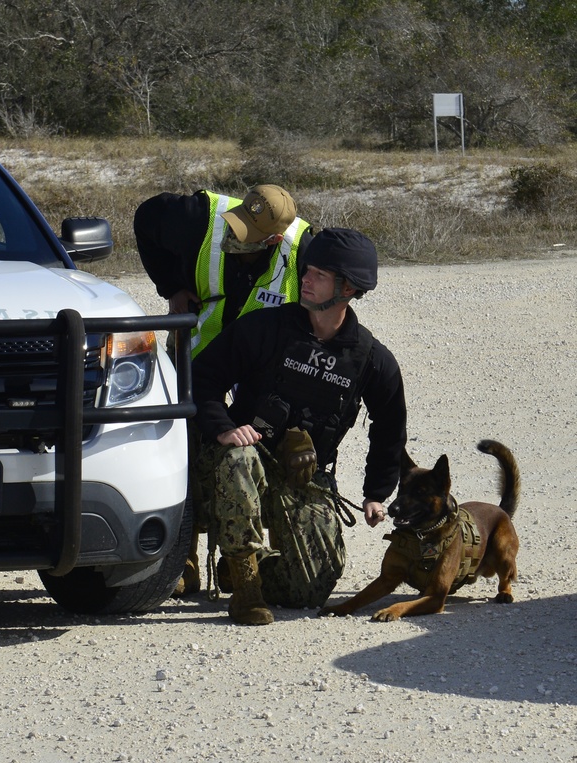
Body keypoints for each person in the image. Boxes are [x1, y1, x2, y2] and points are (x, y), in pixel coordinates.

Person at [191, 227, 407, 625]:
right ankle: (246, 588)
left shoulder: (371, 359)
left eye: (319, 275)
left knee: (309, 590)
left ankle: (245, 567)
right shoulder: (264, 328)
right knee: (239, 457)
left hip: (301, 478)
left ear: (348, 288)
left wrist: (377, 492)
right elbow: (201, 377)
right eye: (307, 270)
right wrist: (222, 427)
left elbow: (390, 426)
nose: (305, 280)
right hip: (234, 468)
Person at [134, 185, 313, 596]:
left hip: (254, 369)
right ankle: (183, 561)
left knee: (243, 457)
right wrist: (171, 285)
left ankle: (242, 560)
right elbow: (145, 219)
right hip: (195, 355)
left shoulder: (303, 247)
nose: (234, 234)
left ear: (273, 240)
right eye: (237, 221)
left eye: (247, 232)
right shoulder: (195, 214)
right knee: (183, 451)